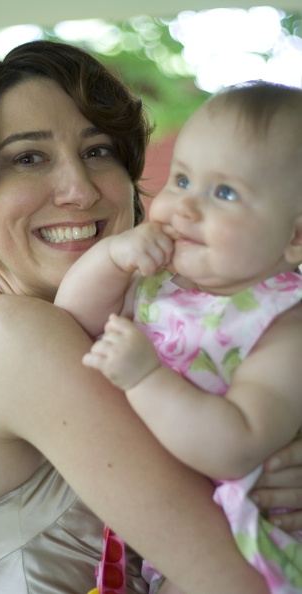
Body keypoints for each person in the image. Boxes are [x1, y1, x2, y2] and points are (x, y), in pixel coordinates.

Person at [55, 80, 302, 593]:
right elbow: (71, 317)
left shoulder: (284, 323)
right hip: (172, 530)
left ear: (295, 236)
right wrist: (112, 257)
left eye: (225, 193)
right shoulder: (160, 281)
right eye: (183, 180)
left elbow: (235, 445)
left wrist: (146, 377)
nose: (186, 208)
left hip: (249, 544)